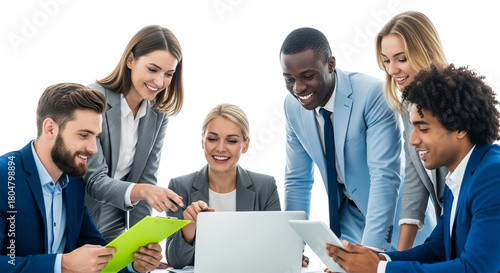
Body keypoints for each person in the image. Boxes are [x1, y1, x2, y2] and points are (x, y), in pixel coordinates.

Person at [325, 64, 500, 273]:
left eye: (423, 128)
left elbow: (475, 269)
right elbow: (437, 250)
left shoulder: (492, 176)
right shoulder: (461, 175)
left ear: (460, 128)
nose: (412, 140)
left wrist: (379, 270)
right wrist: (374, 260)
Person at [0, 83, 162, 273]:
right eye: (84, 135)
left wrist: (134, 265)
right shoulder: (5, 175)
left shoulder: (74, 181)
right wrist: (61, 264)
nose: (93, 148)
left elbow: (98, 250)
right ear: (50, 129)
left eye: (95, 136)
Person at [279, 27, 402, 253]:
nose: (298, 88)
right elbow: (297, 181)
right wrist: (292, 249)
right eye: (289, 79)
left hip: (395, 223)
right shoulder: (292, 107)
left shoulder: (373, 95)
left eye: (307, 76)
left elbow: (384, 176)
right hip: (347, 223)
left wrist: (373, 252)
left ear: (330, 64)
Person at [83, 25, 185, 242]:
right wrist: (145, 191)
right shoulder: (93, 99)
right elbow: (94, 180)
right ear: (130, 60)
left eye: (168, 74)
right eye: (152, 69)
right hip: (80, 216)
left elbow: (146, 178)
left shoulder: (158, 114)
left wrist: (141, 245)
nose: (159, 82)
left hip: (117, 220)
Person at [165, 103, 281, 269]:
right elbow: (175, 260)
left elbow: (276, 249)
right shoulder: (179, 187)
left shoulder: (265, 187)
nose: (220, 148)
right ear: (202, 141)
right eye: (212, 139)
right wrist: (189, 226)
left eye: (232, 141)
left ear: (245, 145)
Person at [376, 11, 449, 250]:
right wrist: (398, 254)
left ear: (425, 52)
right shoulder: (409, 106)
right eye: (386, 60)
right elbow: (415, 178)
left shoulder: (457, 101)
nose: (392, 70)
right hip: (447, 226)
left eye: (401, 58)